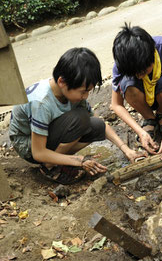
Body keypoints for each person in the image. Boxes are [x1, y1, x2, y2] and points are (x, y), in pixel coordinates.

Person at [9, 47, 144, 185]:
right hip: (28, 145)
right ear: (62, 82)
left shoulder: (70, 91)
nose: (85, 96)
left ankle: (59, 159)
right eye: (83, 92)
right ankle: (49, 167)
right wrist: (80, 161)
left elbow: (100, 124)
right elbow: (38, 152)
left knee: (95, 125)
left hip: (49, 132)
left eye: (88, 92)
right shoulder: (42, 103)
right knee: (80, 118)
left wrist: (126, 150)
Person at [111, 24, 162, 160]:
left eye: (143, 71)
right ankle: (149, 119)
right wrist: (140, 132)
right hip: (143, 98)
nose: (139, 76)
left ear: (152, 56)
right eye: (135, 74)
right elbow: (116, 105)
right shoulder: (122, 63)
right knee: (127, 84)